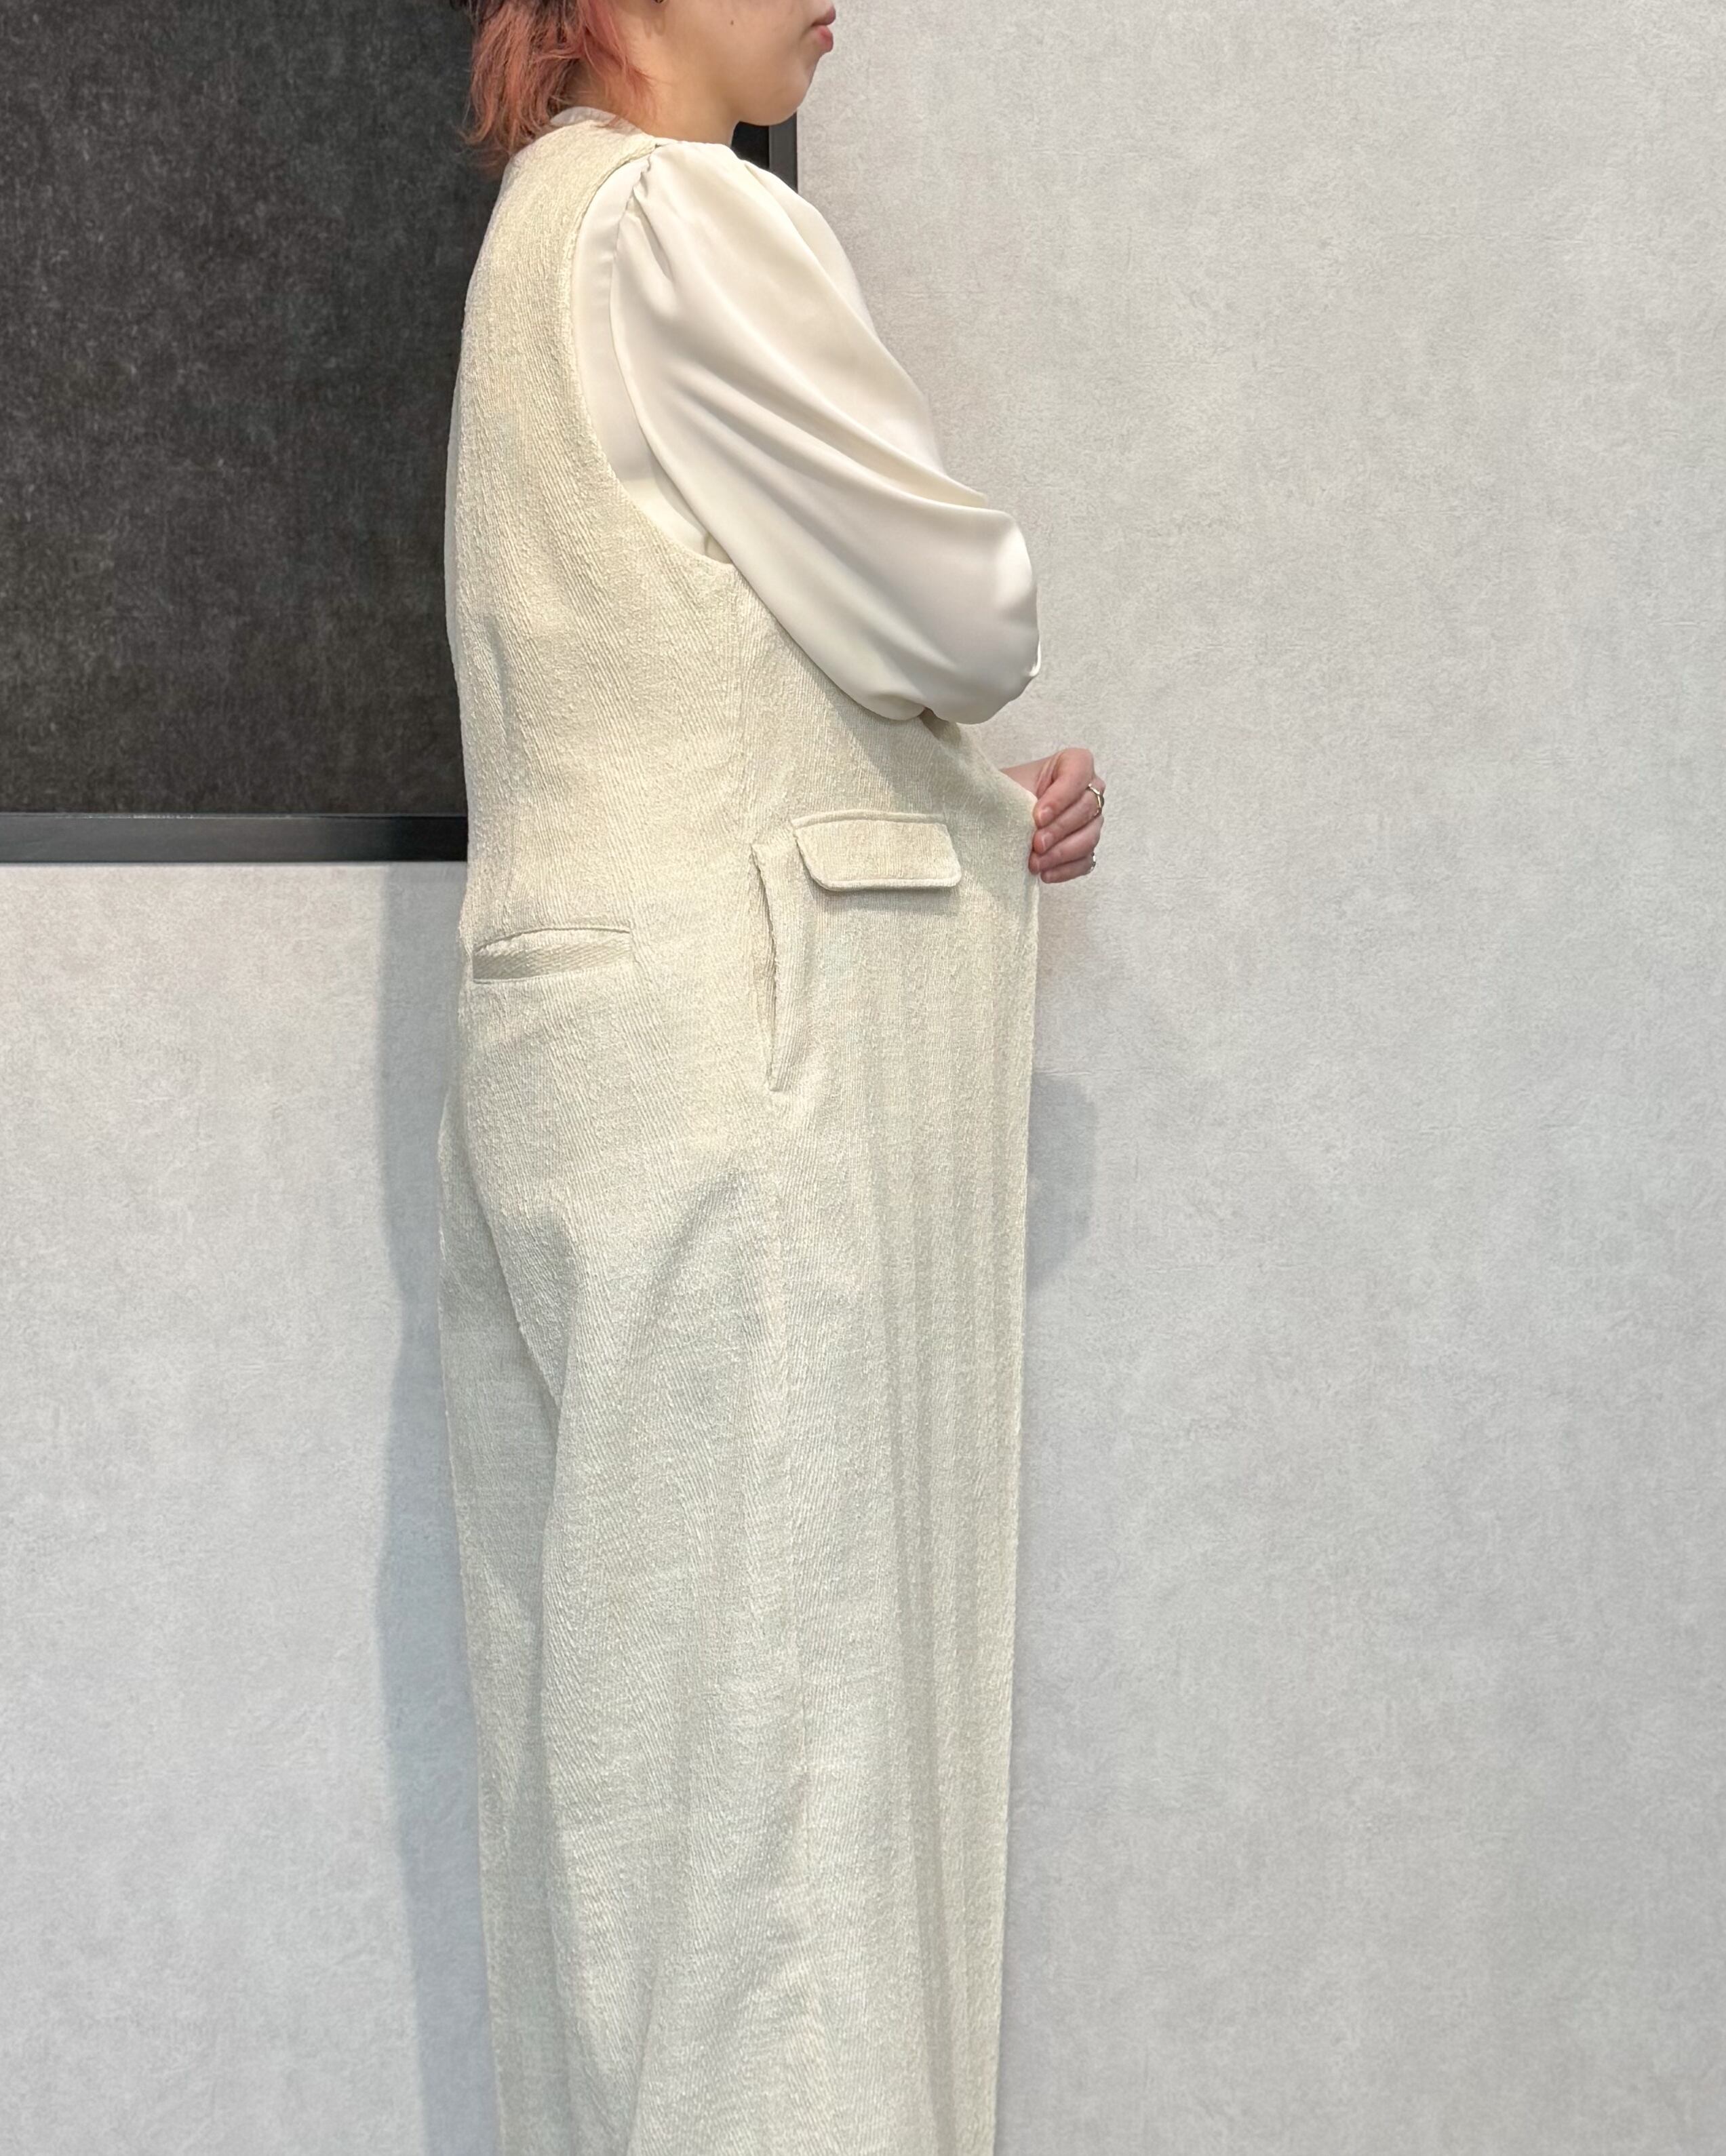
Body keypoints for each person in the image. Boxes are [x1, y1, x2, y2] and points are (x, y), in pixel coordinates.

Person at [435, 3, 1105, 2152]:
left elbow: (687, 657)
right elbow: (958, 607)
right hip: (742, 1080)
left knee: (636, 1810)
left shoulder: (533, 234)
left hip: (575, 1079)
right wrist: (955, 729)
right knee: (785, 1843)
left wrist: (963, 800)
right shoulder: (677, 219)